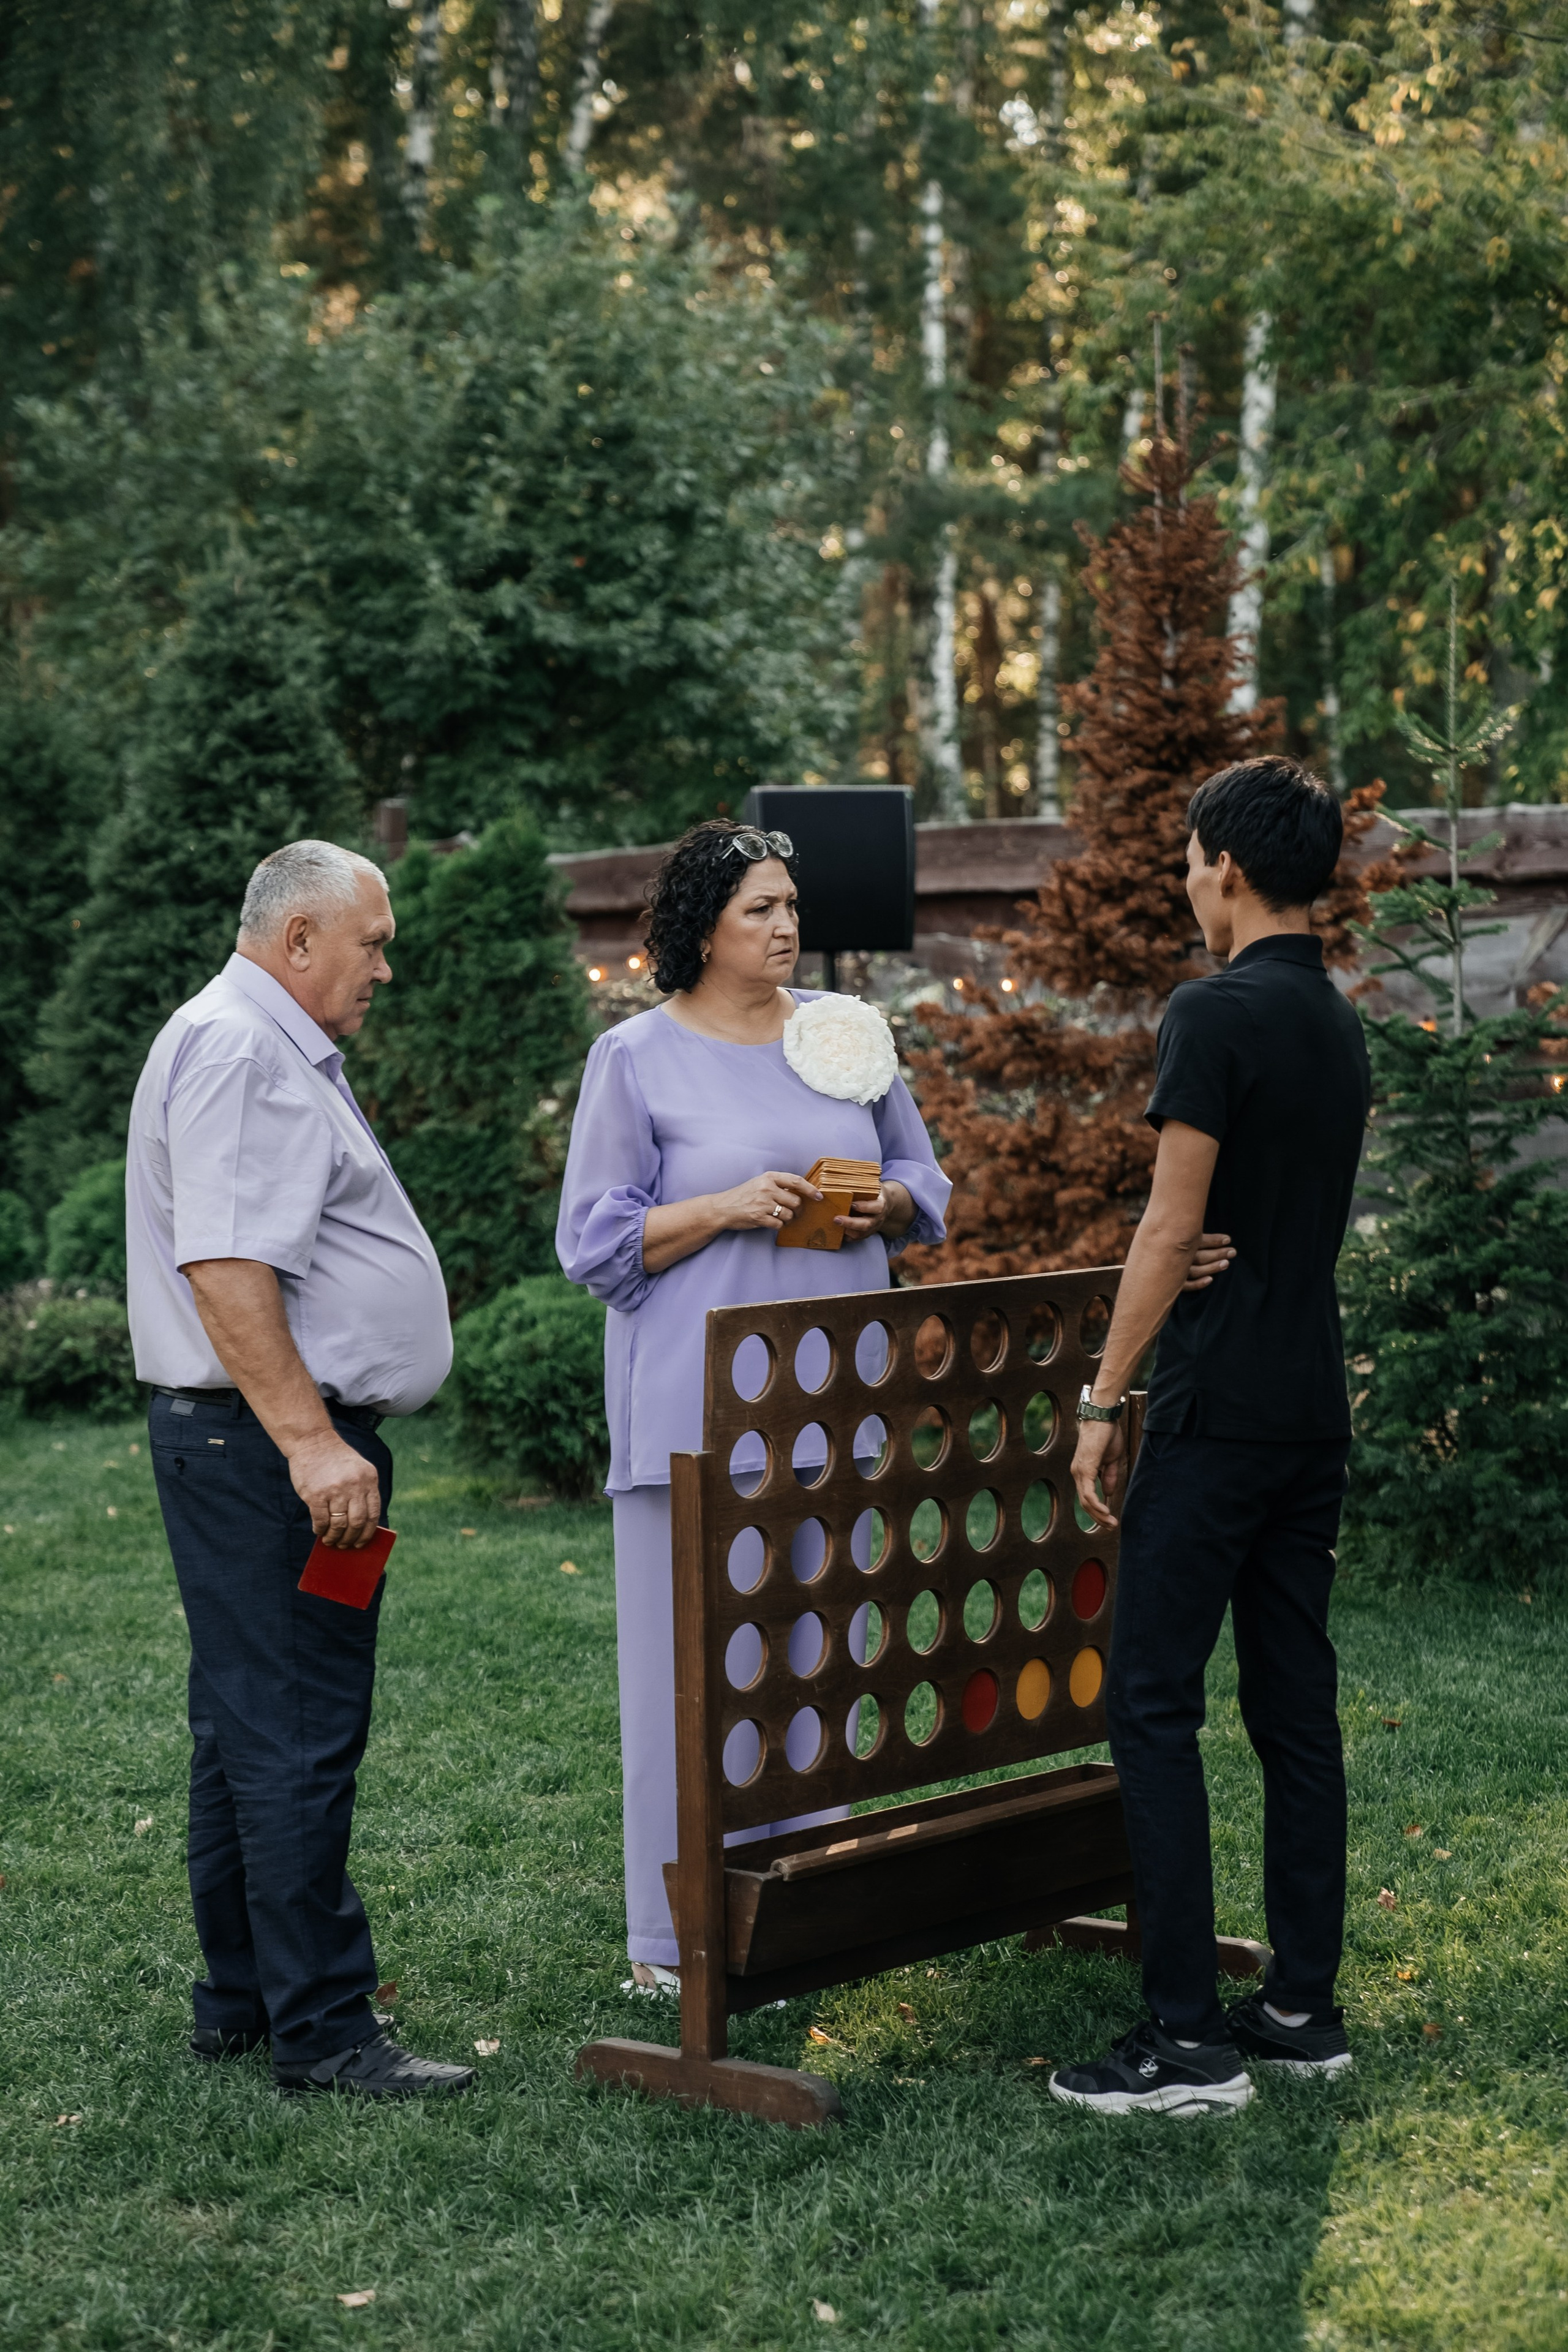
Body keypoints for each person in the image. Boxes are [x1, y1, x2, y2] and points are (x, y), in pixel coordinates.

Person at [556, 820, 952, 1988]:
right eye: (759, 912)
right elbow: (594, 1241)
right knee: (694, 1686)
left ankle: (803, 1910)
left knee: (822, 1664)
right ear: (702, 929)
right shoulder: (633, 1058)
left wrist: (887, 1204)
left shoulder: (844, 1037)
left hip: (842, 1409)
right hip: (697, 1420)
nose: (785, 929)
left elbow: (926, 1179)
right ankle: (676, 1939)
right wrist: (724, 1207)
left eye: (792, 909)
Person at [1047, 757, 1371, 2117]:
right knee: (1292, 1709)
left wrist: (1101, 1399)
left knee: (1149, 1705)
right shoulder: (1335, 1020)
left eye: (1189, 863)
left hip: (1214, 1414)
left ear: (1226, 869)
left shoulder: (1210, 1011)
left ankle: (1183, 2043)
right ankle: (1299, 2005)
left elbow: (1172, 1225)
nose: (1186, 884)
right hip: (1307, 1410)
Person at [126, 840, 473, 2100]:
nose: (386, 962)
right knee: (294, 1736)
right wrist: (314, 1442)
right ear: (299, 940)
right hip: (272, 1447)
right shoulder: (242, 1048)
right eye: (371, 940)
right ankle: (325, 2031)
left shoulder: (249, 1039)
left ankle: (243, 2001)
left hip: (252, 1442)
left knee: (241, 1728)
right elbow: (226, 1265)